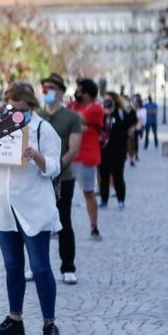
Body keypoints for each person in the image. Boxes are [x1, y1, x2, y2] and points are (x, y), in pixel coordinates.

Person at [0, 80, 62, 335]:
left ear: (30, 105)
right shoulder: (2, 128)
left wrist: (37, 157)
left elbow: (54, 166)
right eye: (10, 107)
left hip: (34, 206)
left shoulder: (43, 129)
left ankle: (49, 323)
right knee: (12, 266)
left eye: (18, 107)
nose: (13, 112)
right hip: (4, 205)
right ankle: (15, 319)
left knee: (40, 266)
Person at [38, 73, 81, 284]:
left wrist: (57, 167)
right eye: (44, 87)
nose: (47, 91)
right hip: (39, 178)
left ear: (61, 92)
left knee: (64, 222)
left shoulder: (72, 118)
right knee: (38, 223)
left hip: (63, 177)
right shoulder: (36, 115)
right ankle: (38, 266)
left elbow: (73, 148)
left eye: (51, 87)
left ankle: (68, 267)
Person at [71, 79, 104, 241]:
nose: (76, 92)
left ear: (88, 94)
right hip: (69, 156)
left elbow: (72, 118)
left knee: (88, 193)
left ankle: (94, 227)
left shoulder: (96, 108)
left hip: (86, 157)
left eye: (80, 90)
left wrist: (73, 122)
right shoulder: (73, 105)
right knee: (60, 194)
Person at [99, 93, 136, 210]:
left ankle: (121, 200)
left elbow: (131, 128)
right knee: (103, 177)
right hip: (103, 151)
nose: (106, 101)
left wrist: (124, 139)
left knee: (118, 176)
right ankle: (104, 200)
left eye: (108, 99)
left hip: (118, 151)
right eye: (104, 99)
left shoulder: (121, 113)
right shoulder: (101, 113)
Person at [129, 95, 144, 165]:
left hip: (135, 129)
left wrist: (137, 128)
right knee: (131, 144)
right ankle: (131, 157)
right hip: (130, 129)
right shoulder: (130, 111)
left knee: (135, 142)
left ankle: (134, 156)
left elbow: (139, 121)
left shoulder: (138, 111)